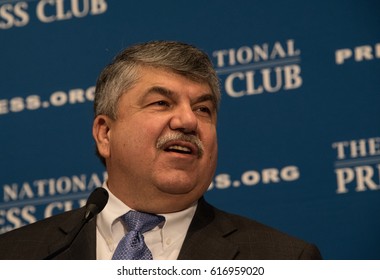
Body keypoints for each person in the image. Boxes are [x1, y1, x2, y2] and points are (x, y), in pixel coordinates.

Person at [0, 41, 322, 260]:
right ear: (105, 133)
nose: (187, 120)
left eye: (204, 109)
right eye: (161, 103)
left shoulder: (285, 260)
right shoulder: (15, 254)